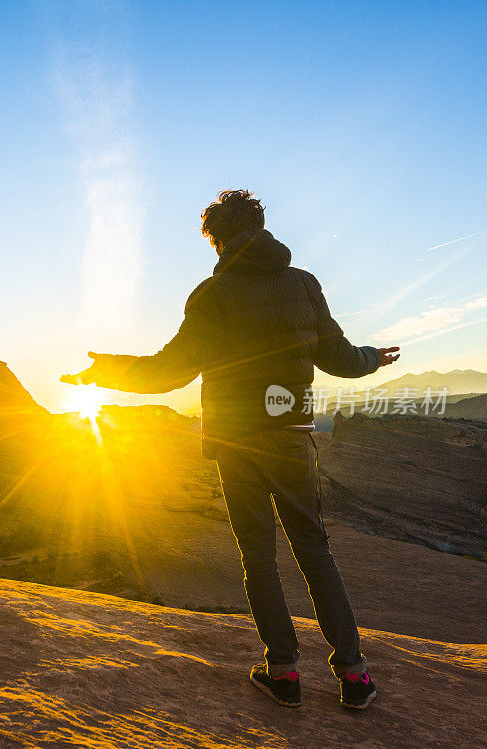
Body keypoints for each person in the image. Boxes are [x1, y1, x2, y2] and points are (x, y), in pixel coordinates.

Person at [61, 189, 400, 710]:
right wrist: (373, 358)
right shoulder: (302, 284)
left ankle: (283, 673)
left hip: (236, 441)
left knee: (258, 557)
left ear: (217, 239)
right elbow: (337, 357)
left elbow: (170, 369)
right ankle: (354, 678)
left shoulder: (212, 293)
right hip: (292, 436)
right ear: (261, 227)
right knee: (314, 551)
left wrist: (103, 370)